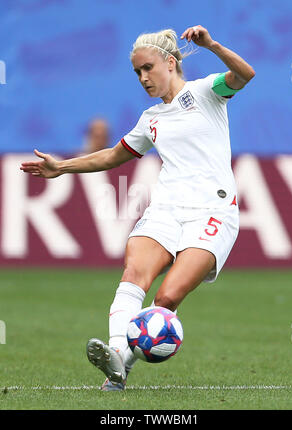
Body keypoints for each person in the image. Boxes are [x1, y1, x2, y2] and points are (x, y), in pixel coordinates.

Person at [20, 25, 255, 391]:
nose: (143, 77)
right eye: (137, 72)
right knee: (134, 273)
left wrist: (211, 45)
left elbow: (244, 74)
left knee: (167, 297)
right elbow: (115, 155)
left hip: (213, 212)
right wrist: (61, 167)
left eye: (148, 68)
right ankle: (117, 359)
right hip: (166, 208)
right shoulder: (150, 119)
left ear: (171, 62)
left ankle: (123, 362)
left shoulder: (206, 92)